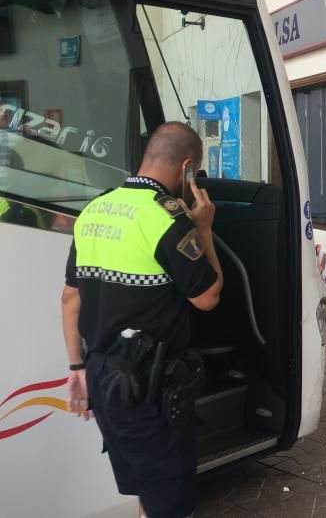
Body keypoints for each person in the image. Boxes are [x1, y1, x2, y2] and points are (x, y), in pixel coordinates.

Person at [60, 122, 224, 518]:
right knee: (169, 505)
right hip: (150, 389)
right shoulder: (167, 218)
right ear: (187, 168)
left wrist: (77, 367)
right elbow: (208, 297)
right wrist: (204, 227)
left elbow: (70, 298)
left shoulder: (95, 209)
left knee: (148, 493)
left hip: (104, 379)